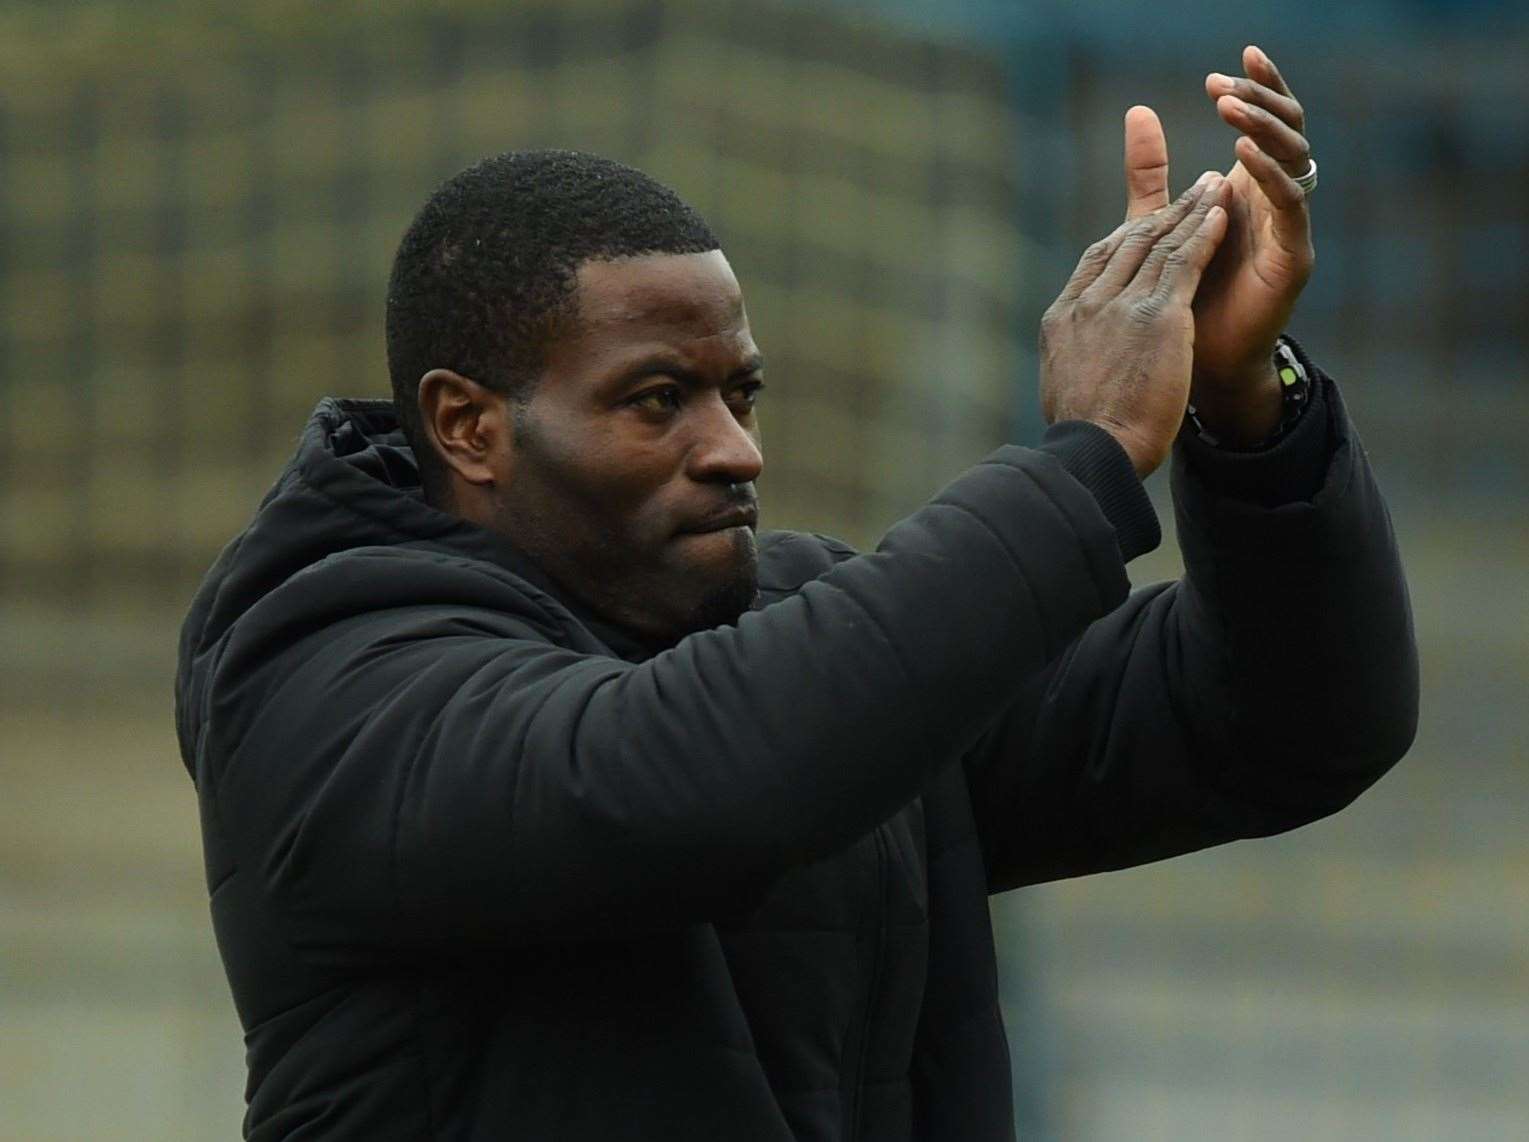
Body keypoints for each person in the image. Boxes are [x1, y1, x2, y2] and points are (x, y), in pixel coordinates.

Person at [176, 46, 1416, 1142]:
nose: (735, 448)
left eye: (741, 394)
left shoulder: (808, 636)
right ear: (467, 425)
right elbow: (680, 786)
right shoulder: (323, 673)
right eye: (658, 399)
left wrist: (1244, 405)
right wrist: (1083, 460)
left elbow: (1291, 723)